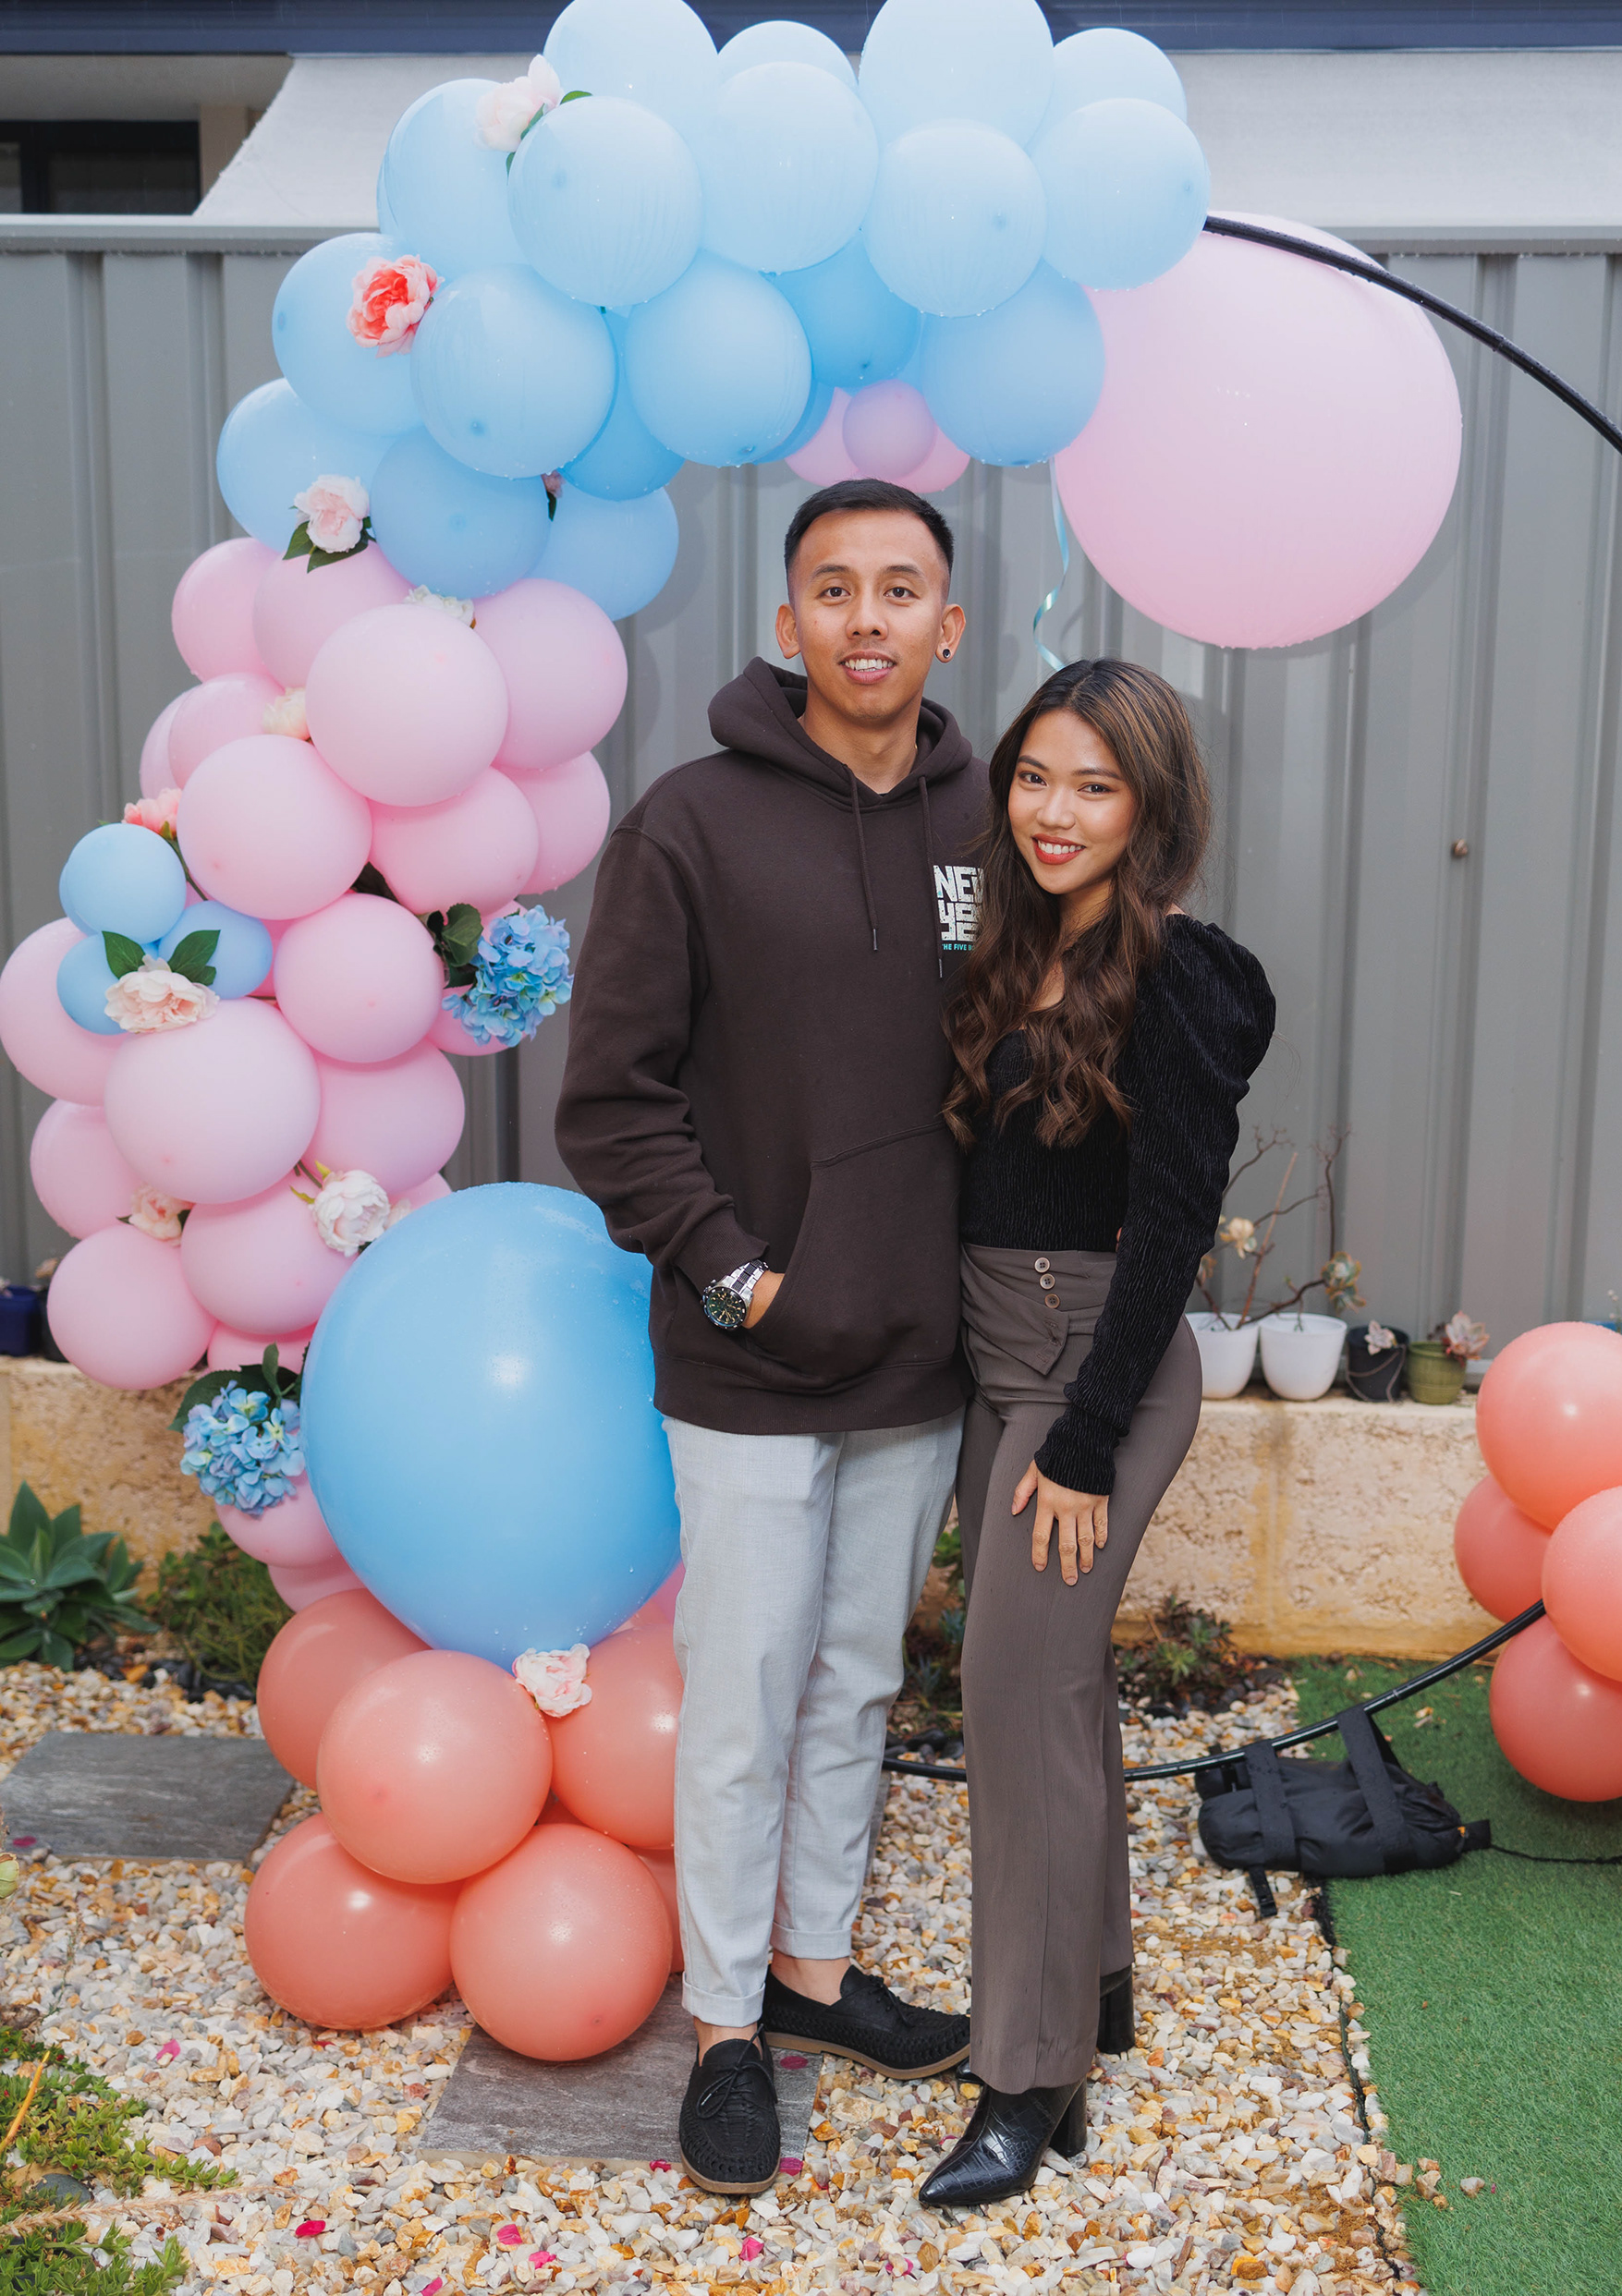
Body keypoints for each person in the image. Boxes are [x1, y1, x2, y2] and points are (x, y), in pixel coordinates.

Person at [555, 477, 986, 2197]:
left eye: (902, 588)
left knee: (859, 1676)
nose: (869, 618)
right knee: (740, 1690)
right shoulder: (690, 823)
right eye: (836, 588)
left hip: (918, 1354)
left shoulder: (992, 824)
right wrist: (743, 1278)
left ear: (948, 623)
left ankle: (813, 1970)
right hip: (748, 1354)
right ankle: (725, 2025)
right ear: (787, 620)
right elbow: (611, 1104)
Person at [918, 658, 1275, 2207]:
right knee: (1050, 1686)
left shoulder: (1182, 975)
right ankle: (1098, 1982)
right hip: (996, 1356)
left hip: (1093, 1371)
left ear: (1153, 806)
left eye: (1095, 785)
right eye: (1034, 776)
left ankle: (1030, 2074)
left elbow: (1174, 1223)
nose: (1053, 811)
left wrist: (1083, 1435)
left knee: (1014, 1691)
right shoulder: (1006, 941)